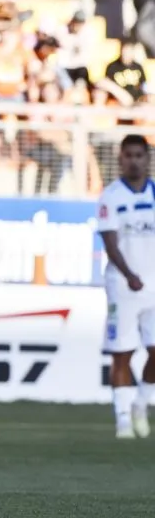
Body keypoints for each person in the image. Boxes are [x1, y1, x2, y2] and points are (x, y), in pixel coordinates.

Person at [96, 134, 155, 439]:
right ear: (120, 159)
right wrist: (129, 274)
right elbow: (110, 243)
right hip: (123, 286)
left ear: (147, 159)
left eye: (139, 155)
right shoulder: (110, 197)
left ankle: (141, 404)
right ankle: (122, 420)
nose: (134, 161)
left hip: (154, 286)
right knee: (123, 352)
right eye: (128, 155)